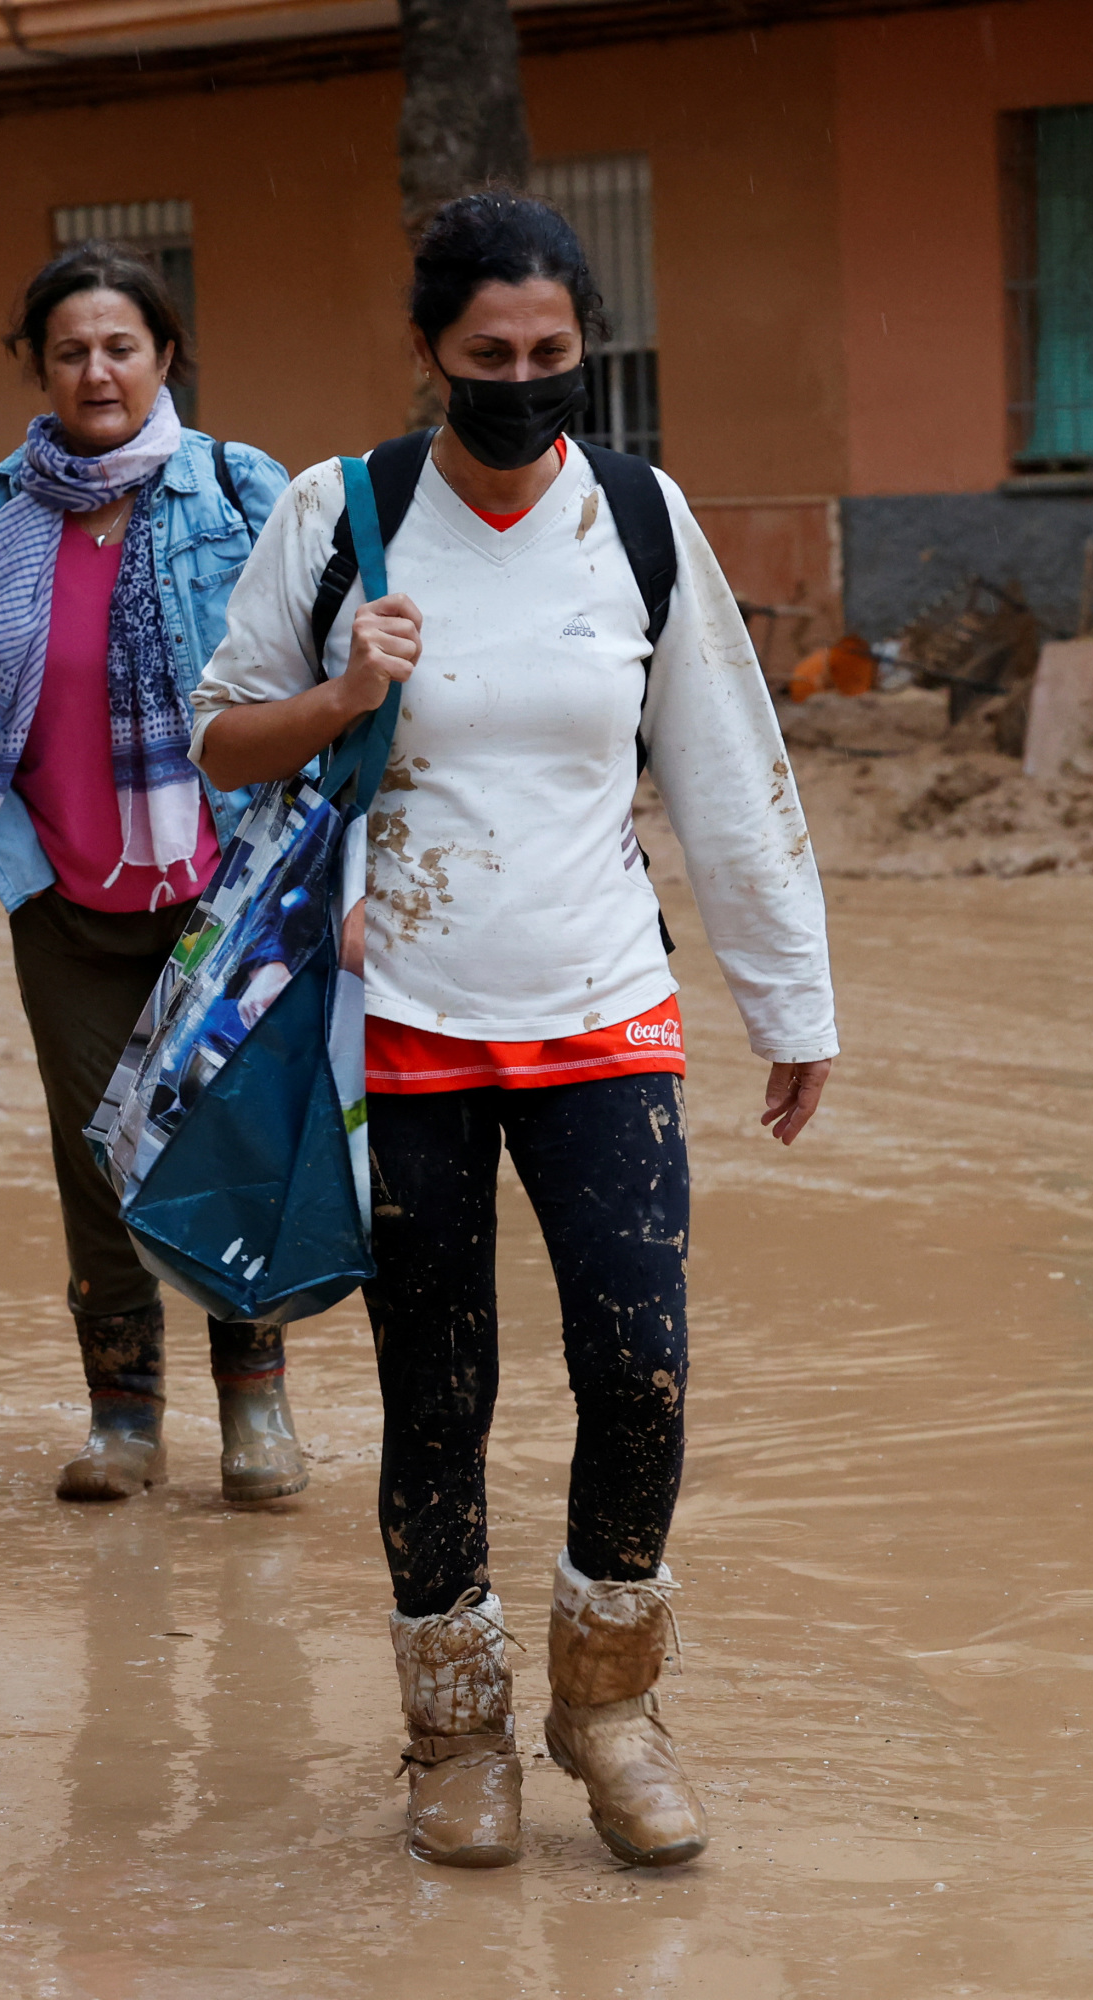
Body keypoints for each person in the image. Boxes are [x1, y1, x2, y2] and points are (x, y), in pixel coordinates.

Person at [189, 192, 836, 1872]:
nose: (526, 383)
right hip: (395, 1023)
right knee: (439, 1391)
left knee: (640, 1367)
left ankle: (608, 1709)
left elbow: (723, 760)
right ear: (427, 354)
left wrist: (790, 996)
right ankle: (453, 1732)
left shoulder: (636, 513)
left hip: (606, 1006)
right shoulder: (340, 516)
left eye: (556, 355)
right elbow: (220, 743)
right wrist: (342, 693)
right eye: (491, 358)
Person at [0, 243, 299, 1507]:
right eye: (70, 349)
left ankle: (257, 1409)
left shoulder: (240, 491)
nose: (97, 370)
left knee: (230, 1141)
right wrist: (7, 857)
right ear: (40, 366)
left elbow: (305, 673)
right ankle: (124, 1418)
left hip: (220, 899)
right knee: (98, 1158)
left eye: (121, 345)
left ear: (163, 355)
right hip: (64, 897)